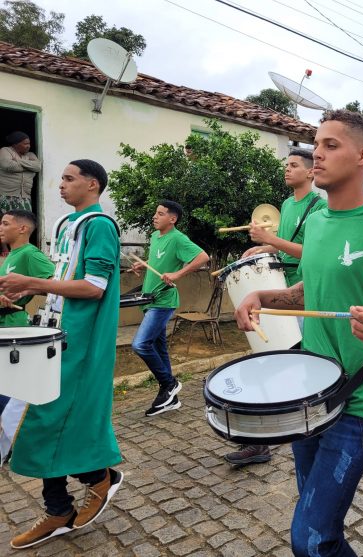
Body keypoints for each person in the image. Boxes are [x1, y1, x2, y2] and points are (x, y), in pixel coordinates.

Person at [234, 109, 363, 556]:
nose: (317, 156)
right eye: (316, 145)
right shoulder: (318, 222)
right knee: (322, 525)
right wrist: (262, 299)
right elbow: (312, 289)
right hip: (311, 393)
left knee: (307, 539)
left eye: (331, 145)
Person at [0, 160, 123, 549]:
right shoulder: (65, 225)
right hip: (52, 333)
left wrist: (31, 280)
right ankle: (59, 506)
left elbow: (93, 287)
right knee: (36, 417)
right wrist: (29, 293)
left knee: (42, 418)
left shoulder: (99, 225)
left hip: (80, 341)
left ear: (93, 184)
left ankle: (97, 479)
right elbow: (65, 279)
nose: (60, 185)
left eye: (69, 179)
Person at [224, 147, 326, 467]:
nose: (287, 169)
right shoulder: (285, 204)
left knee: (293, 365)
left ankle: (303, 429)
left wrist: (273, 240)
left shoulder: (319, 207)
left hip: (304, 296)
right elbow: (282, 243)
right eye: (287, 165)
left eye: (294, 165)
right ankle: (264, 442)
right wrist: (261, 245)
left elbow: (311, 252)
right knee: (272, 361)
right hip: (280, 287)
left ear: (310, 172)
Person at [130, 201, 209, 417]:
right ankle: (169, 399)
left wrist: (177, 274)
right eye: (155, 213)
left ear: (172, 219)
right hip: (150, 299)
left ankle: (169, 383)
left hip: (163, 301)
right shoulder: (156, 237)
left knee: (140, 344)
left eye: (160, 214)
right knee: (160, 347)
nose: (155, 217)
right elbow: (159, 258)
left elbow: (203, 257)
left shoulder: (178, 238)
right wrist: (143, 263)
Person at [0, 210, 55, 456]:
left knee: (9, 390)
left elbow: (55, 283)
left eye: (5, 223)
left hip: (13, 325)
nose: (0, 227)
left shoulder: (30, 254)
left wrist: (25, 291)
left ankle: (17, 440)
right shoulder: (11, 255)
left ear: (22, 228)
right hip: (5, 324)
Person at [0, 132, 40, 214]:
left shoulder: (30, 154)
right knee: (5, 222)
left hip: (25, 197)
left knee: (24, 222)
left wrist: (18, 161)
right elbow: (9, 166)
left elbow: (37, 167)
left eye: (29, 143)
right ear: (15, 144)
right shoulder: (5, 151)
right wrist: (29, 166)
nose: (28, 146)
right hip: (6, 196)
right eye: (25, 144)